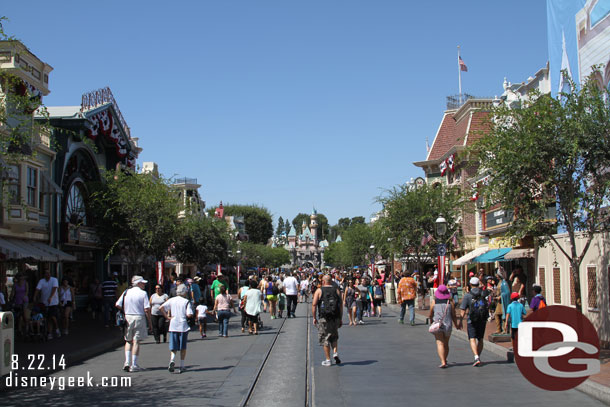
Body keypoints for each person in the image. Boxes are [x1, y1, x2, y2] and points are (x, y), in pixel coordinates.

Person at [116, 275, 153, 372]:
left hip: (128, 317)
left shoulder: (126, 292)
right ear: (139, 283)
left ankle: (127, 362)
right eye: (143, 283)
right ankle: (134, 364)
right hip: (139, 317)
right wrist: (150, 322)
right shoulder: (143, 293)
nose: (144, 284)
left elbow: (117, 304)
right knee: (136, 341)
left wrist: (125, 310)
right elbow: (147, 309)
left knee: (128, 340)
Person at [160, 284, 194, 374]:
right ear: (184, 292)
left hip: (173, 324)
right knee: (182, 347)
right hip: (183, 325)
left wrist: (167, 317)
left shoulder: (172, 300)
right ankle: (182, 365)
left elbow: (161, 307)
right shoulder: (186, 301)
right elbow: (189, 314)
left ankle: (172, 359)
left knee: (173, 346)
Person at [312, 275, 343, 366]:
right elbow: (340, 305)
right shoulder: (336, 290)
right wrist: (340, 318)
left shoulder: (319, 290)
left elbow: (314, 305)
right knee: (334, 335)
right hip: (335, 317)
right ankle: (335, 352)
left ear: (323, 282)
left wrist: (314, 317)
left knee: (325, 337)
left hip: (324, 317)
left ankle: (328, 359)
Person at [458, 277, 489, 367]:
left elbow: (463, 309)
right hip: (482, 319)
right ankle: (478, 356)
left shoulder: (467, 295)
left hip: (471, 319)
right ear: (478, 284)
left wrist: (460, 321)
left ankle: (476, 357)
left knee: (472, 338)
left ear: (470, 285)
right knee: (480, 339)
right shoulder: (483, 293)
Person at [428, 285, 459, 368]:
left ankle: (443, 361)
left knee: (439, 343)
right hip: (448, 325)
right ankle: (445, 359)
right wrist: (456, 325)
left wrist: (431, 320)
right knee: (446, 343)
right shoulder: (450, 303)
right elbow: (454, 315)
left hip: (438, 325)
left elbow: (430, 314)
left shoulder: (434, 302)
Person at [34, 270, 60, 340]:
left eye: (48, 273)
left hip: (53, 302)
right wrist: (35, 297)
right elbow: (37, 289)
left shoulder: (54, 280)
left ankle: (57, 328)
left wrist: (51, 297)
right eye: (46, 273)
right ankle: (49, 332)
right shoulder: (41, 281)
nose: (47, 274)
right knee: (48, 318)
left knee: (52, 317)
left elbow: (54, 288)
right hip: (44, 302)